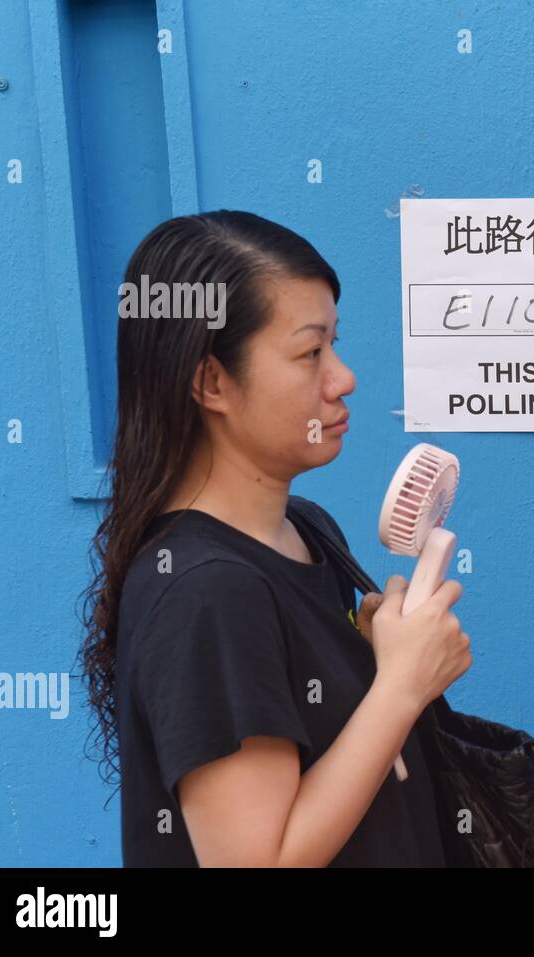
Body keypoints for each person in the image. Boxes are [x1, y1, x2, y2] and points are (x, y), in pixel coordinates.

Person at [78, 211, 472, 866]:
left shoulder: (309, 529)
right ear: (212, 382)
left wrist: (370, 659)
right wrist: (401, 686)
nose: (342, 377)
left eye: (335, 345)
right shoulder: (206, 591)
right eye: (310, 351)